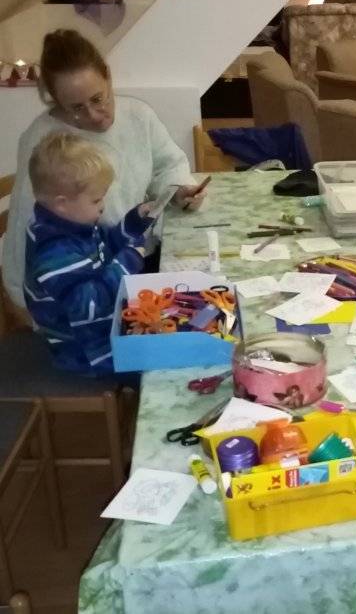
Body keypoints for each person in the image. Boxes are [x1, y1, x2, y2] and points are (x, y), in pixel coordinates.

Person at [2, 28, 207, 313]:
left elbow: (168, 165)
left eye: (99, 99)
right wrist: (29, 309)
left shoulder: (138, 115)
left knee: (206, 292)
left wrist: (179, 191)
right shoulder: (44, 142)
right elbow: (25, 234)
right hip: (89, 281)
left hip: (133, 252)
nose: (94, 115)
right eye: (76, 107)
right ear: (56, 100)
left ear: (108, 77)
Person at [25, 132, 152, 375]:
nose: (103, 206)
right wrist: (127, 262)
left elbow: (104, 251)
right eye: (96, 200)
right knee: (165, 366)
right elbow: (90, 305)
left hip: (102, 326)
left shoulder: (72, 223)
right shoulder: (54, 251)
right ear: (62, 203)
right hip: (86, 349)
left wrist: (133, 223)